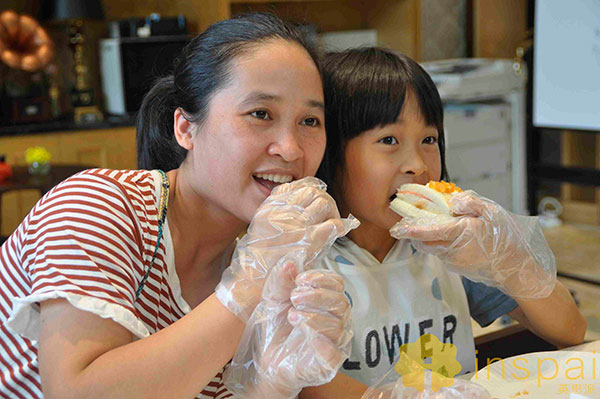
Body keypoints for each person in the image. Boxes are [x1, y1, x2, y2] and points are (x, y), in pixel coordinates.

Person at [0, 13, 354, 399]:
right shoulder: (98, 205)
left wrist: (272, 386)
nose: (290, 148)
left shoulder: (266, 257)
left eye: (309, 120)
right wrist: (247, 287)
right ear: (185, 128)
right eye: (260, 114)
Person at [299, 47, 587, 398]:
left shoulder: (449, 250)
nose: (417, 165)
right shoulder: (306, 262)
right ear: (329, 151)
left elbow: (570, 332)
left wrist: (509, 261)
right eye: (389, 140)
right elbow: (310, 385)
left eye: (429, 140)